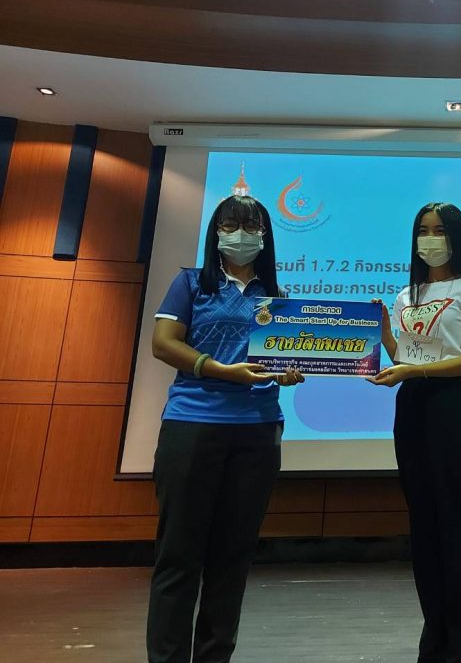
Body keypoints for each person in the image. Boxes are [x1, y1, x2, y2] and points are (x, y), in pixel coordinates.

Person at [146, 194, 304, 663]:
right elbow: (163, 343)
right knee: (179, 556)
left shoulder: (278, 296)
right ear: (216, 231)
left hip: (257, 431)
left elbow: (281, 359)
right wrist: (218, 369)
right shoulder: (191, 283)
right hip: (192, 426)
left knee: (232, 559)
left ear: (265, 235)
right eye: (231, 224)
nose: (241, 233)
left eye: (251, 225)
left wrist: (288, 372)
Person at [369, 202, 461, 663]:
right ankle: (437, 642)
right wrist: (385, 335)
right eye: (423, 230)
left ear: (457, 236)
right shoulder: (407, 294)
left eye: (440, 230)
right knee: (425, 530)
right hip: (412, 409)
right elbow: (407, 357)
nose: (430, 238)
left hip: (451, 406)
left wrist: (414, 372)